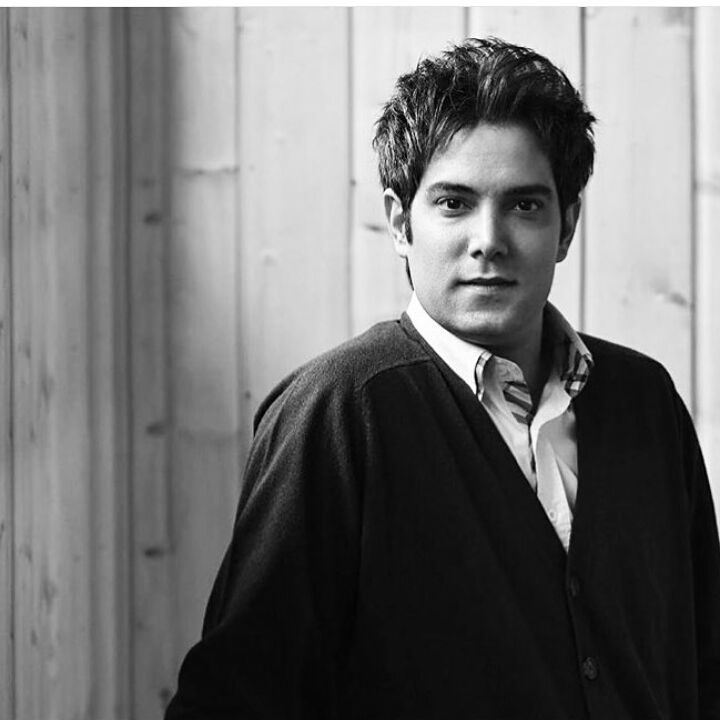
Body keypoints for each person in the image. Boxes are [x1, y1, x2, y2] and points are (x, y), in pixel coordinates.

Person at [165, 38, 720, 719]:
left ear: (567, 226)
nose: (489, 240)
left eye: (524, 206)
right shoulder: (337, 413)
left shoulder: (645, 401)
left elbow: (704, 667)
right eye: (455, 203)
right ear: (401, 223)